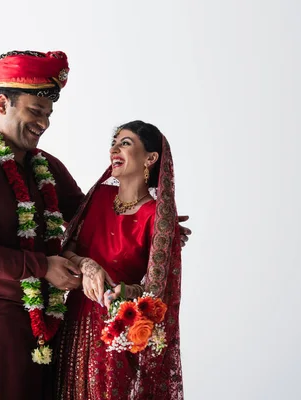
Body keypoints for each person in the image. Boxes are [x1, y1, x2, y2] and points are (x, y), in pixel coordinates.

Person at [0, 51, 191, 399]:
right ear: (2, 104)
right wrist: (42, 267)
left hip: (48, 327)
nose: (44, 124)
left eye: (48, 115)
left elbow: (90, 215)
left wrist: (150, 220)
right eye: (35, 112)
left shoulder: (45, 166)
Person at [56, 120, 184, 399]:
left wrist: (122, 292)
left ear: (150, 158)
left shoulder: (157, 218)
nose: (114, 147)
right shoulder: (99, 197)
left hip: (115, 332)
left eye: (125, 143)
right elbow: (66, 249)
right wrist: (86, 265)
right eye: (114, 142)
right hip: (73, 324)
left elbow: (157, 291)